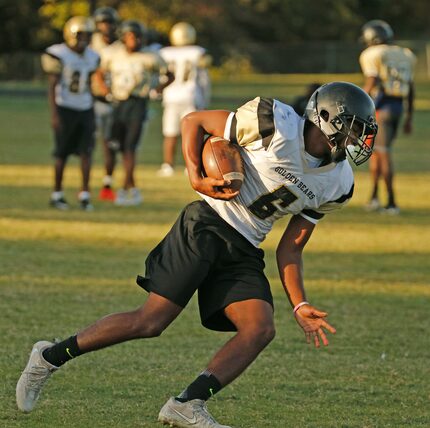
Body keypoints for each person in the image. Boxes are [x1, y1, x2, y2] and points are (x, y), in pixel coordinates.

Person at [16, 82, 377, 427]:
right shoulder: (273, 122)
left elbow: (291, 247)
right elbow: (195, 121)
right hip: (206, 223)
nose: (359, 140)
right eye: (353, 129)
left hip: (246, 244)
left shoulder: (339, 182)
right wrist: (194, 175)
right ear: (325, 118)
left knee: (259, 328)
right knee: (151, 321)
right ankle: (48, 358)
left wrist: (299, 304)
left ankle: (186, 405)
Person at [94, 20, 173, 206]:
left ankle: (125, 188)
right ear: (123, 37)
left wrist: (158, 89)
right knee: (114, 145)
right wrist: (105, 89)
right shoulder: (113, 54)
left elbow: (170, 74)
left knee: (130, 147)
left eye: (137, 36)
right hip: (118, 103)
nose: (134, 40)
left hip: (138, 103)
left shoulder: (151, 56)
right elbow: (99, 72)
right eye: (130, 36)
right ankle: (122, 186)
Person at [41, 16, 100, 211]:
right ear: (71, 34)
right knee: (62, 153)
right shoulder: (58, 54)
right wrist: (54, 114)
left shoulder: (92, 56)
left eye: (88, 35)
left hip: (85, 107)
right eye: (80, 35)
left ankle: (84, 194)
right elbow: (52, 85)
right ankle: (57, 194)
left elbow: (92, 84)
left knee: (86, 152)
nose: (84, 39)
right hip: (65, 107)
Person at [359, 19, 416, 215]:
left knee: (382, 153)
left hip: (381, 107)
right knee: (375, 153)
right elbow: (411, 87)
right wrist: (409, 117)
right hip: (398, 106)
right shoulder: (405, 54)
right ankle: (374, 197)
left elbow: (373, 80)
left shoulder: (372, 54)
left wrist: (358, 101)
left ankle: (392, 203)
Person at [157, 22, 211, 177]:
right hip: (190, 95)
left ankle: (168, 165)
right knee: (192, 133)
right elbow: (203, 79)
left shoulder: (164, 53)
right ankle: (191, 166)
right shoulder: (198, 52)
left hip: (170, 96)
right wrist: (204, 98)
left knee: (169, 133)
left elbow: (160, 75)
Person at [90, 6, 122, 202]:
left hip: (114, 101)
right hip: (92, 100)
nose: (106, 26)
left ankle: (107, 182)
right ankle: (84, 185)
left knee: (110, 144)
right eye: (102, 22)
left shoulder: (120, 46)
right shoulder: (90, 43)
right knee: (87, 144)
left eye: (109, 22)